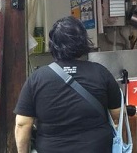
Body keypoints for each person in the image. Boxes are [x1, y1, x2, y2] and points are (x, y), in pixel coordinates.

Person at [14, 16, 122, 153]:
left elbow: (22, 123)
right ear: (83, 41)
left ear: (53, 44)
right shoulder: (101, 73)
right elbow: (118, 115)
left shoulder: (37, 78)